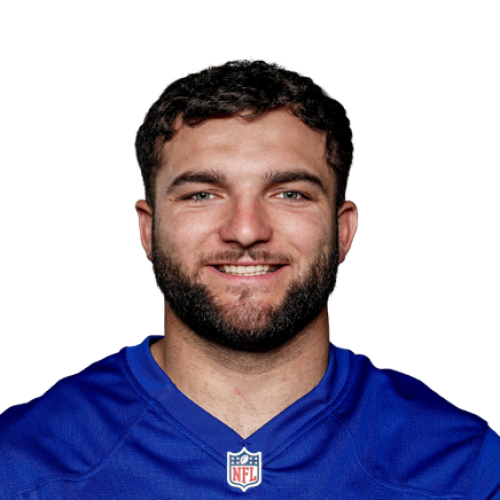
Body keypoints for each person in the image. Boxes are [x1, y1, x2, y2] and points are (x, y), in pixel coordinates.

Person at [0, 58, 498, 499]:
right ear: (147, 230)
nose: (245, 230)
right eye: (201, 194)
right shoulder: (22, 460)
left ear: (343, 230)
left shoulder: (465, 466)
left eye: (290, 193)